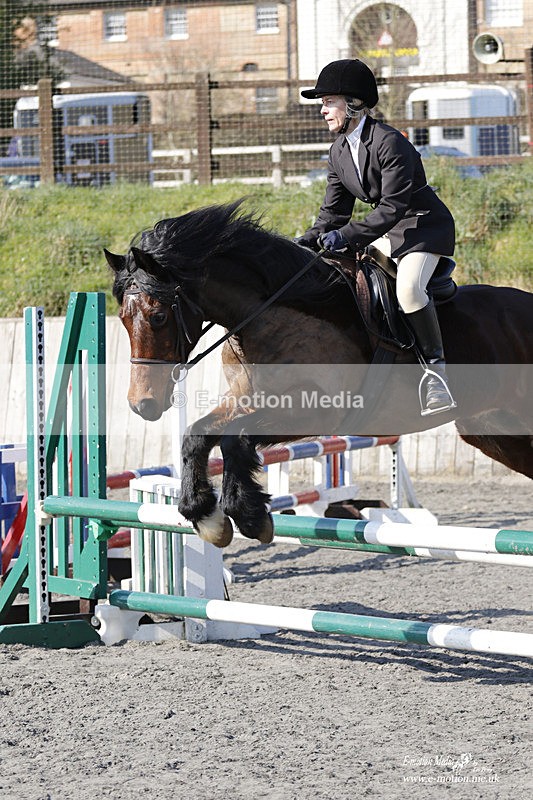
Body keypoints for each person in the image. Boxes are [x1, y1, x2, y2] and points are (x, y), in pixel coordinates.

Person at [296, 59, 456, 416]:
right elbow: (333, 212)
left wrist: (346, 235)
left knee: (409, 289)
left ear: (353, 104)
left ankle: (436, 375)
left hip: (421, 228)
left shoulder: (389, 142)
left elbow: (393, 207)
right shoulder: (338, 152)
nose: (323, 111)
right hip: (387, 230)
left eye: (329, 102)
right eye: (322, 104)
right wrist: (306, 241)